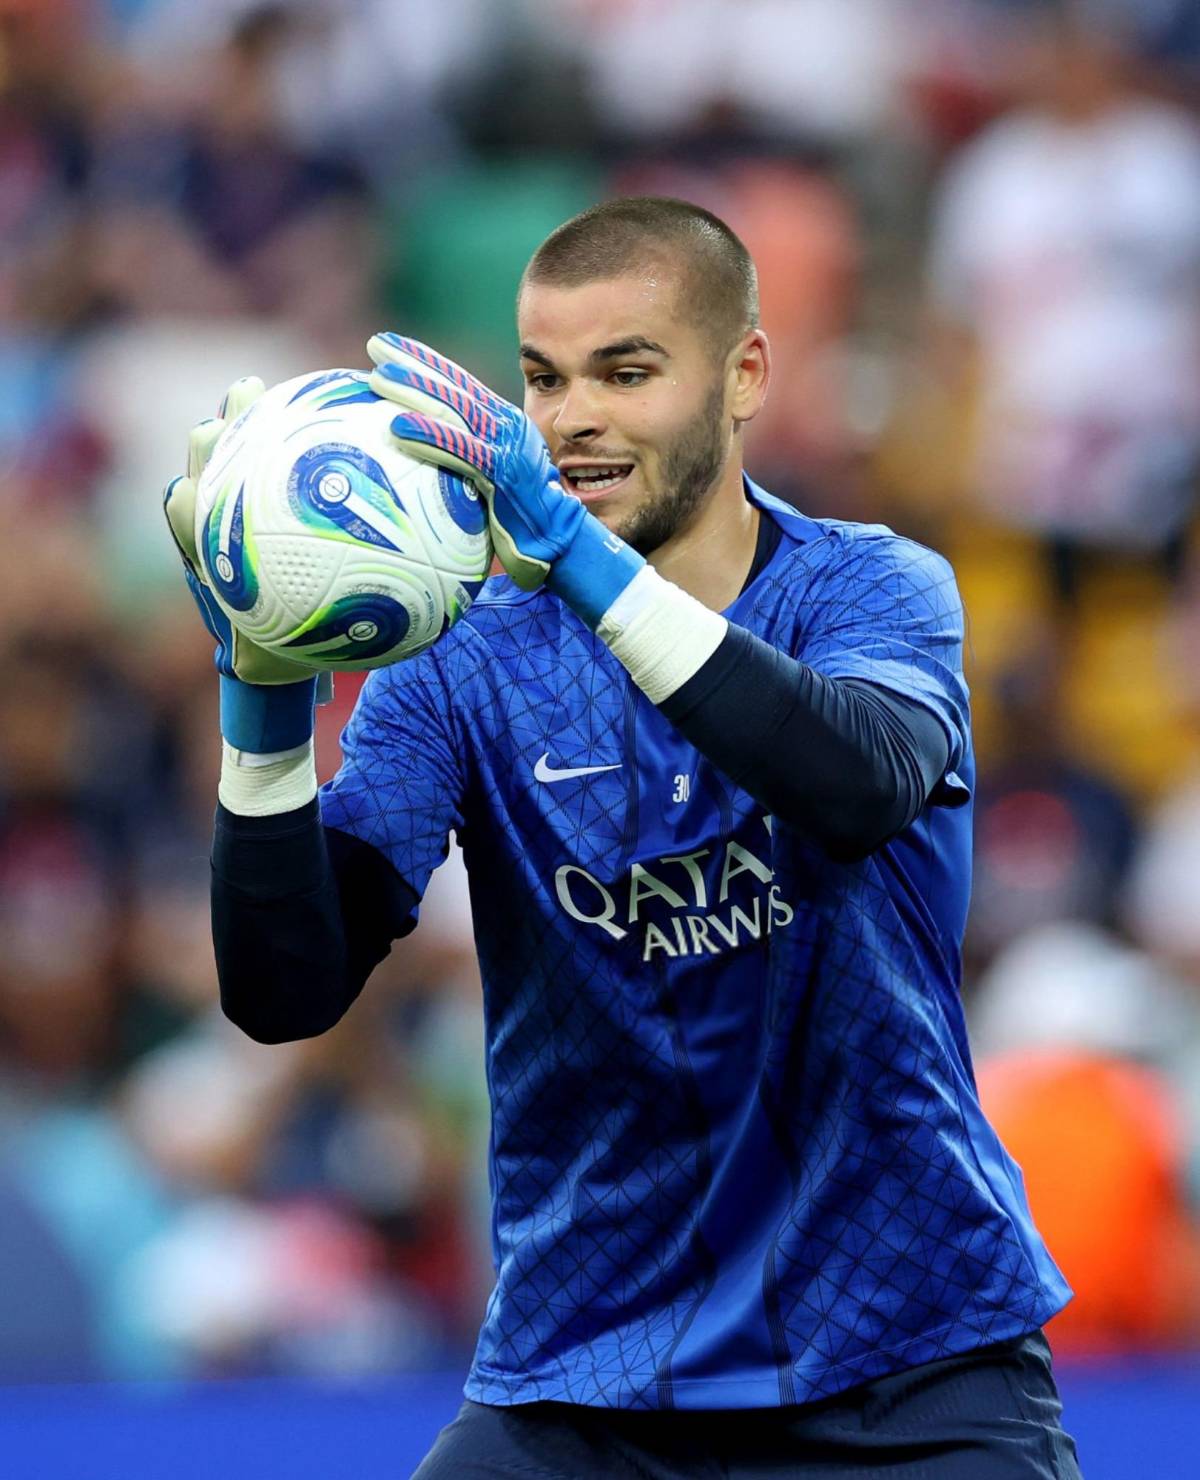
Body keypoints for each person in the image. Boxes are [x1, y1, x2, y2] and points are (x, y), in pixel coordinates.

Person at [166, 198, 1080, 1477]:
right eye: (543, 377)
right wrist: (263, 698)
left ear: (744, 372)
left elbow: (855, 785)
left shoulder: (868, 587)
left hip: (910, 1366)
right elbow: (284, 989)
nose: (572, 416)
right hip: (588, 1380)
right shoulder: (461, 664)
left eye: (626, 370)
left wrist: (586, 572)